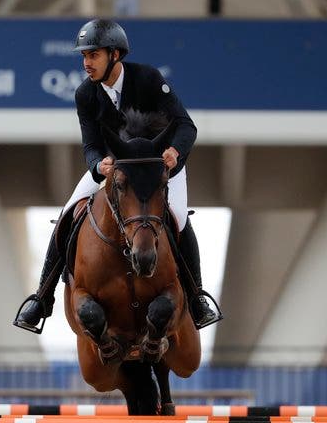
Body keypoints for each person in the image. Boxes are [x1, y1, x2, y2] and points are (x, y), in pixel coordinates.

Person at [14, 19, 221, 334]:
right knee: (69, 212)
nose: (86, 63)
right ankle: (43, 298)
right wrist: (99, 166)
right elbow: (91, 145)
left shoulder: (148, 79)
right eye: (84, 56)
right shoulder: (86, 94)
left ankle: (196, 298)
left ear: (115, 54)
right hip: (118, 172)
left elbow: (185, 126)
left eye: (93, 55)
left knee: (177, 216)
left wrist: (175, 154)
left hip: (160, 168)